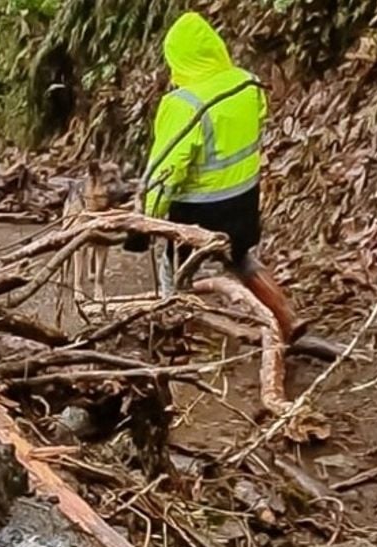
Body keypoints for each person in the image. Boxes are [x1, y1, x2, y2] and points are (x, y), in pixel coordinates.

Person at [142, 11, 300, 341]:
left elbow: (166, 170)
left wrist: (148, 218)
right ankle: (287, 318)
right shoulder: (246, 83)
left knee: (173, 266)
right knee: (240, 256)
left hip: (196, 209)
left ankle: (173, 328)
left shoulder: (182, 103)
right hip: (244, 199)